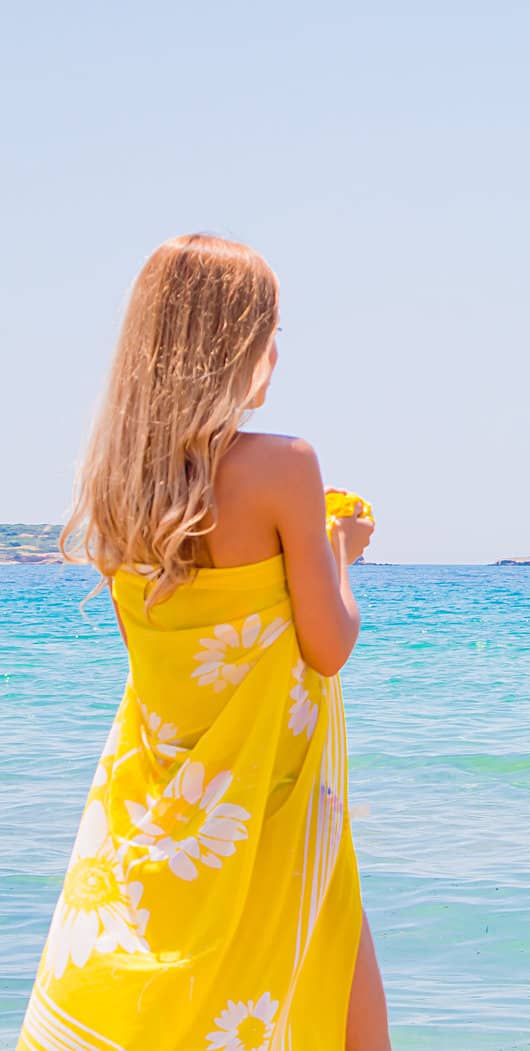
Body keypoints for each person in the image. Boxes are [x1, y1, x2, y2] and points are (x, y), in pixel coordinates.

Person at [16, 233, 390, 1051]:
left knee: (169, 995)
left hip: (167, 799)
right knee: (334, 979)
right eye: (269, 331)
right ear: (234, 347)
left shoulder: (117, 487)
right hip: (277, 794)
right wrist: (339, 550)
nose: (276, 353)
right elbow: (329, 645)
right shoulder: (286, 468)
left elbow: (161, 662)